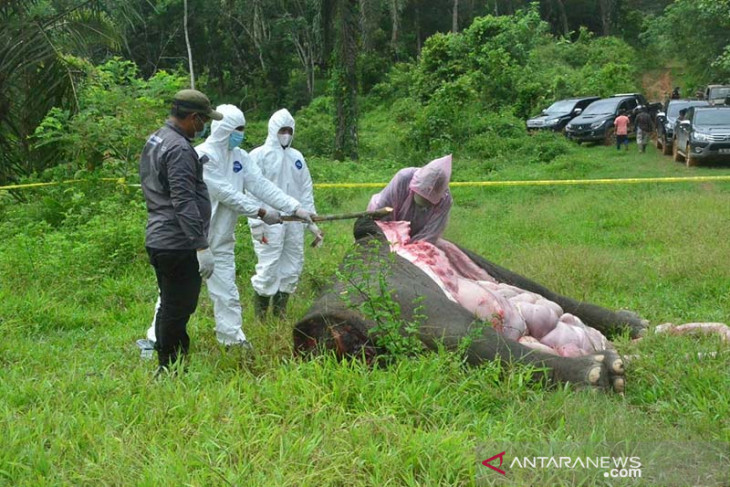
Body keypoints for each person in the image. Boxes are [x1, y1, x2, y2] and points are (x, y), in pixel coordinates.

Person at [144, 105, 315, 348]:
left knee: (227, 292)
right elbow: (225, 193)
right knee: (173, 295)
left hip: (221, 239)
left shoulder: (240, 157)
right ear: (224, 129)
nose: (241, 134)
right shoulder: (201, 155)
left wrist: (294, 207)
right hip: (192, 240)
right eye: (237, 129)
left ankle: (232, 338)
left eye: (243, 130)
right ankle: (155, 339)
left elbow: (261, 186)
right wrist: (261, 212)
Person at [139, 89, 223, 374]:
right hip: (177, 242)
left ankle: (170, 362)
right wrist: (201, 245)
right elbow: (183, 199)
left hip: (159, 235)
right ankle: (170, 368)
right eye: (203, 121)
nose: (204, 127)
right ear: (193, 117)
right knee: (179, 308)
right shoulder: (179, 149)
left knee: (169, 304)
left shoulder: (157, 138)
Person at [247, 108, 323, 319]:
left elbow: (305, 191)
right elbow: (251, 192)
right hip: (269, 221)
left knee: (292, 264)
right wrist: (256, 224)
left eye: (290, 130)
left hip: (295, 221)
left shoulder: (296, 157)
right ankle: (261, 317)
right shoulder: (258, 156)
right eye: (282, 130)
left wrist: (312, 223)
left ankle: (279, 313)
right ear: (273, 129)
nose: (286, 134)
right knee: (269, 265)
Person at [367, 154, 453, 244]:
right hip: (389, 221)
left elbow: (431, 233)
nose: (424, 201)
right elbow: (383, 209)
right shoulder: (404, 178)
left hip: (418, 229)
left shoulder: (445, 199)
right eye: (422, 196)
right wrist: (392, 238)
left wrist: (414, 247)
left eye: (428, 201)